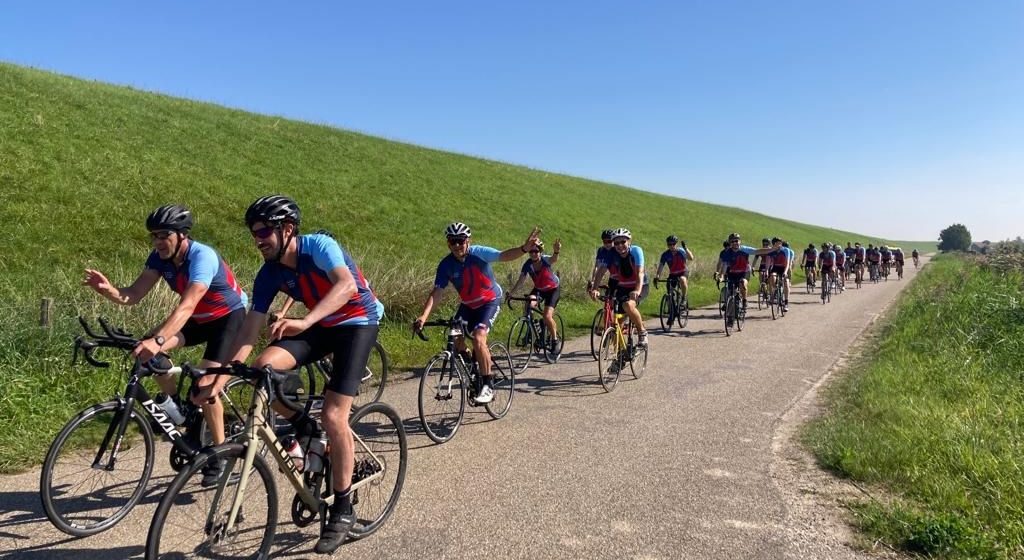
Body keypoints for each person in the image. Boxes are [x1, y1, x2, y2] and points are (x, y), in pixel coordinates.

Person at [197, 195, 383, 553]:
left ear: (288, 229)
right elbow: (249, 331)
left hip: (357, 322)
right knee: (261, 366)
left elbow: (346, 286)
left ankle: (342, 508)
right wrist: (218, 379)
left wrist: (305, 321)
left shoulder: (319, 247)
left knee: (334, 415)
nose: (258, 239)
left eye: (264, 231)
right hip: (323, 325)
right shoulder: (269, 274)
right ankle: (303, 425)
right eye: (254, 233)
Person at [83, 204, 247, 486]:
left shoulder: (202, 256)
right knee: (147, 357)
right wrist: (109, 290)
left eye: (164, 235)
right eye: (154, 236)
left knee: (205, 386)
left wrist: (159, 339)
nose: (158, 241)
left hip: (228, 318)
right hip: (198, 319)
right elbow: (133, 294)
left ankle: (220, 456)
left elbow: (188, 304)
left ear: (182, 235)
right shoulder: (160, 258)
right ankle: (183, 411)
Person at [414, 222, 541, 403]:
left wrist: (523, 249)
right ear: (448, 243)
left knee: (479, 338)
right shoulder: (445, 265)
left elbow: (503, 255)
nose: (457, 245)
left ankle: (488, 385)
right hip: (468, 304)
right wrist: (423, 317)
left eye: (461, 241)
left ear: (468, 241)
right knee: (455, 336)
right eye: (453, 241)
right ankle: (472, 364)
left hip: (489, 301)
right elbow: (437, 293)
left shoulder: (479, 253)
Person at [590, 228, 650, 346]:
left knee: (628, 305)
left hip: (640, 285)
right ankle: (620, 357)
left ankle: (642, 332)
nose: (620, 245)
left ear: (629, 241)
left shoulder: (636, 251)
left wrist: (637, 291)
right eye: (616, 243)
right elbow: (601, 271)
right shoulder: (611, 254)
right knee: (617, 323)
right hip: (623, 286)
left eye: (623, 242)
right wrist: (595, 288)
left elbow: (640, 273)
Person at [507, 238, 563, 354]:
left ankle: (555, 340)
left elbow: (554, 259)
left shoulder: (545, 260)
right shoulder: (527, 264)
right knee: (528, 303)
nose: (533, 254)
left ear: (540, 252)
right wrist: (511, 294)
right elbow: (521, 280)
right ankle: (532, 328)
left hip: (553, 289)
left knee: (547, 316)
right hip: (539, 289)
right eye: (531, 252)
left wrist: (556, 251)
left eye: (536, 251)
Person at [714, 233, 774, 321]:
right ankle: (730, 318)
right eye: (733, 241)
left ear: (740, 241)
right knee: (731, 294)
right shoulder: (727, 253)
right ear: (730, 243)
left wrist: (772, 249)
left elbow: (757, 251)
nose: (735, 243)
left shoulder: (744, 249)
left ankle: (745, 301)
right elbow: (725, 266)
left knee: (743, 283)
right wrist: (722, 276)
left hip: (744, 272)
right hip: (732, 273)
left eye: (737, 241)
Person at [655, 235, 695, 305]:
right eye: (669, 244)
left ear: (676, 244)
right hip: (673, 274)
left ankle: (684, 297)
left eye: (673, 244)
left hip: (683, 271)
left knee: (682, 279)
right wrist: (657, 276)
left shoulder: (681, 251)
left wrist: (685, 248)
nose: (671, 246)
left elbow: (691, 258)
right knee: (669, 288)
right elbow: (661, 266)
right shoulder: (665, 254)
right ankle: (672, 307)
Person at [766, 237, 793, 311]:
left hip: (784, 267)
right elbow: (768, 262)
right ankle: (775, 291)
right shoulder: (771, 251)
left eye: (780, 243)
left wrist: (785, 272)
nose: (779, 245)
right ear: (774, 244)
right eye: (777, 243)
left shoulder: (786, 250)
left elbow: (787, 263)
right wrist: (766, 271)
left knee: (786, 282)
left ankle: (786, 302)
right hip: (775, 267)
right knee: (772, 277)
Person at [587, 229, 616, 294]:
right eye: (605, 242)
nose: (607, 244)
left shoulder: (616, 250)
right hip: (611, 276)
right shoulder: (601, 250)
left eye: (609, 241)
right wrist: (593, 280)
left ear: (614, 241)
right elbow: (597, 267)